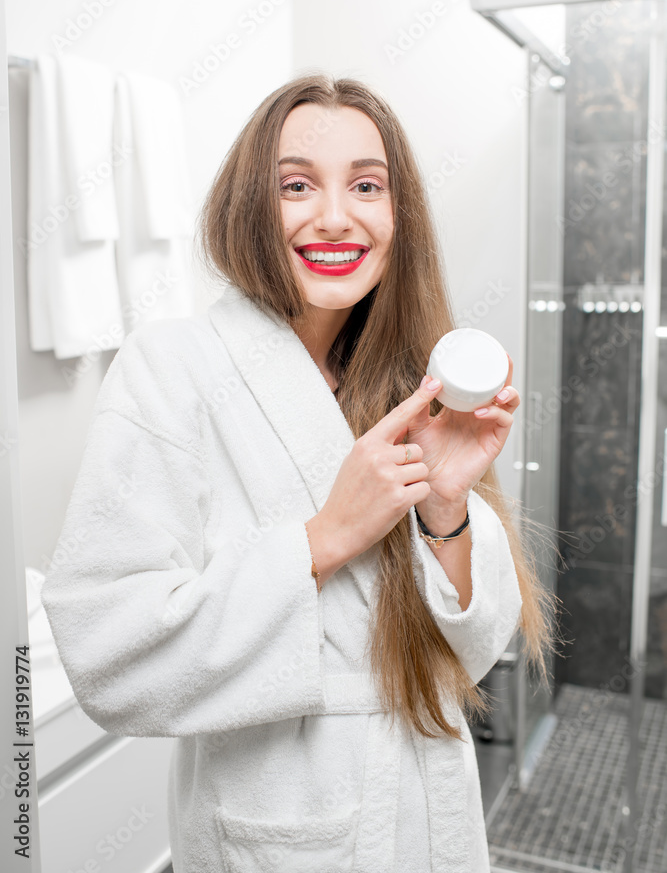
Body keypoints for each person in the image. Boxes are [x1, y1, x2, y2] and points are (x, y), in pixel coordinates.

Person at [41, 73, 557, 873]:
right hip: (281, 830)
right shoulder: (172, 368)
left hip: (428, 814)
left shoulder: (409, 375)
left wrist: (445, 512)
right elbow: (108, 652)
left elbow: (472, 652)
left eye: (365, 185)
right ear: (251, 205)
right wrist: (324, 538)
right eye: (295, 186)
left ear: (398, 215)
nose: (334, 216)